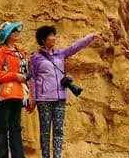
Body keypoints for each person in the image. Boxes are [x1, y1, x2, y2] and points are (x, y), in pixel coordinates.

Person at [30, 26, 99, 158]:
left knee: (59, 130)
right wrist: (33, 98)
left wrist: (90, 37)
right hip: (43, 99)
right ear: (43, 39)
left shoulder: (60, 54)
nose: (54, 38)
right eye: (51, 35)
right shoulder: (36, 58)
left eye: (54, 35)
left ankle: (57, 156)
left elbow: (74, 47)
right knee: (45, 131)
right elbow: (32, 78)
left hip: (60, 98)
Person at [0, 21, 35, 158]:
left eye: (16, 30)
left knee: (16, 127)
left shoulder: (20, 51)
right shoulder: (0, 52)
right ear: (7, 35)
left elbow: (27, 75)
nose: (16, 33)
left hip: (18, 94)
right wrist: (15, 76)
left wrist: (30, 96)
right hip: (4, 95)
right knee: (3, 127)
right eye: (13, 31)